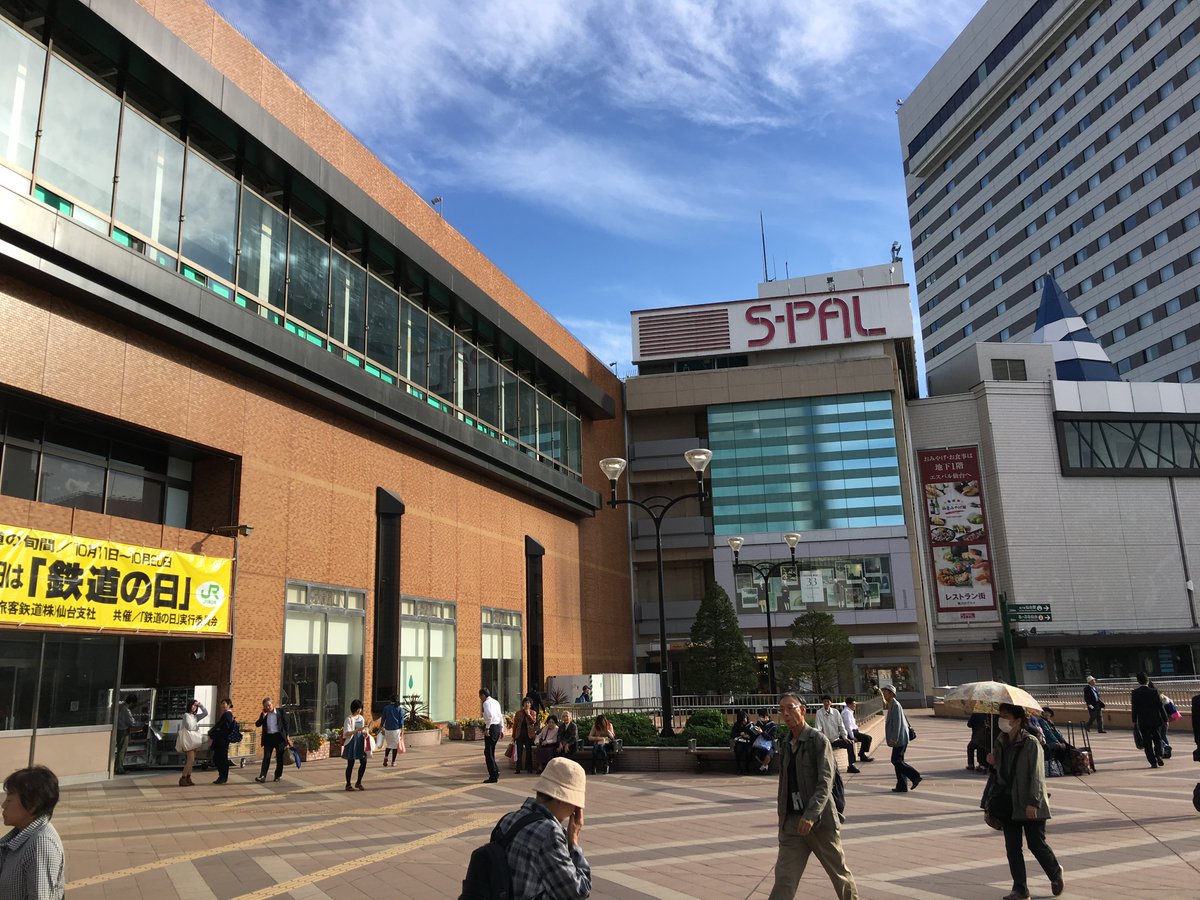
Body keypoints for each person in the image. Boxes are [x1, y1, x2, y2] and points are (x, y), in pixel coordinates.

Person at [768, 694, 857, 900]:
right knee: (784, 878)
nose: (786, 714)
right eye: (782, 710)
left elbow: (825, 781)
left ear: (803, 710)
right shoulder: (786, 742)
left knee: (839, 874)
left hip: (819, 822)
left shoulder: (818, 740)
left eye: (790, 708)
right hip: (792, 824)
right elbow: (784, 785)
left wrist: (811, 814)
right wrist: (783, 818)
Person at [986, 703, 1065, 900]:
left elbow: (1037, 775)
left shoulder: (1031, 743)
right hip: (1008, 801)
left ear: (1018, 720)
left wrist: (1034, 802)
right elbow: (999, 776)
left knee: (1036, 844)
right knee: (1012, 848)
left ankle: (1055, 872)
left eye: (1006, 716)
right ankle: (1020, 889)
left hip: (1030, 801)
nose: (1002, 720)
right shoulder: (1000, 741)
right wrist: (993, 764)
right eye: (1001, 716)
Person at [492, 756, 591, 899]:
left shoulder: (508, 819)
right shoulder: (549, 834)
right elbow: (578, 891)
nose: (575, 810)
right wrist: (573, 840)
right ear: (561, 799)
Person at [0, 765, 66, 899]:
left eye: (10, 800)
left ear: (32, 805)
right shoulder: (22, 835)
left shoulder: (41, 844)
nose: (3, 805)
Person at [882, 683, 921, 792]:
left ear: (891, 693)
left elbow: (898, 723)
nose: (884, 694)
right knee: (898, 761)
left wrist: (894, 737)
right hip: (899, 737)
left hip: (900, 738)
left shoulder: (895, 705)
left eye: (885, 692)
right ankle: (902, 785)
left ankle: (915, 776)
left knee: (896, 760)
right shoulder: (892, 704)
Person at [1131, 671, 1167, 768]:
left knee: (1147, 742)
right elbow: (1160, 707)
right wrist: (1165, 719)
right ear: (1147, 680)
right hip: (1155, 720)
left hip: (1143, 721)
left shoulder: (1135, 693)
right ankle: (1159, 755)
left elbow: (1134, 708)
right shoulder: (1154, 692)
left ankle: (1152, 762)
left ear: (1138, 681)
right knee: (1157, 739)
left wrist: (1134, 721)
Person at [816, 696, 859, 774]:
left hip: (835, 739)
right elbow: (818, 728)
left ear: (831, 703)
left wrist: (845, 737)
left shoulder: (836, 712)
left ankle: (851, 765)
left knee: (849, 743)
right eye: (824, 701)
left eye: (828, 701)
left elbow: (841, 726)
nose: (826, 703)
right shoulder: (819, 713)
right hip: (825, 740)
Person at [254, 697, 292, 783]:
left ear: (272, 704)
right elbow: (257, 724)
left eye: (269, 705)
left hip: (279, 738)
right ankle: (262, 776)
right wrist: (263, 716)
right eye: (266, 706)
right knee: (266, 758)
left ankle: (277, 775)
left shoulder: (280, 712)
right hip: (268, 738)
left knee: (279, 758)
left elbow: (286, 725)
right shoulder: (264, 714)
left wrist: (287, 736)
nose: (268, 707)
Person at [176, 698, 208, 787]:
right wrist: (196, 728)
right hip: (188, 741)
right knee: (190, 760)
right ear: (190, 705)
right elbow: (189, 726)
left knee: (192, 761)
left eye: (196, 706)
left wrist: (201, 705)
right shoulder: (186, 715)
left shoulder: (195, 716)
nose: (194, 707)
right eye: (193, 705)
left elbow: (205, 713)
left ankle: (188, 778)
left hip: (193, 740)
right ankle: (183, 778)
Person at [342, 699, 369, 791]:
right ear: (354, 708)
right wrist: (358, 730)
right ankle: (348, 784)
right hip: (352, 742)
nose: (360, 710)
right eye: (358, 708)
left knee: (364, 761)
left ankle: (358, 782)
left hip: (360, 741)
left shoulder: (361, 718)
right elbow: (346, 733)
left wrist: (365, 732)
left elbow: (363, 730)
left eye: (360, 708)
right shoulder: (349, 719)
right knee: (351, 764)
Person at [209, 698, 235, 785]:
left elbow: (223, 726)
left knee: (220, 759)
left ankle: (223, 777)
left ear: (228, 704)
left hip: (222, 740)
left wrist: (212, 732)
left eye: (224, 703)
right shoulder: (228, 714)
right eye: (222, 703)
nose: (222, 705)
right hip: (222, 740)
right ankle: (222, 777)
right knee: (219, 758)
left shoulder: (227, 714)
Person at [480, 688, 504, 783]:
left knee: (488, 752)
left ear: (483, 695)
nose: (480, 698)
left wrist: (487, 728)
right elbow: (500, 715)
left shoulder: (486, 703)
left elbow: (489, 716)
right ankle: (495, 771)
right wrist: (502, 729)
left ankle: (493, 774)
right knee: (491, 751)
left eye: (480, 696)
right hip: (497, 727)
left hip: (491, 728)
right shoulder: (495, 702)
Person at [840, 698, 872, 764]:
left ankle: (862, 754)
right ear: (848, 704)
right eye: (853, 704)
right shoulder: (846, 713)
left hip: (854, 731)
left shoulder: (849, 711)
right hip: (850, 733)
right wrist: (852, 737)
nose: (855, 706)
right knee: (867, 738)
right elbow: (848, 726)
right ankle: (861, 755)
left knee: (867, 738)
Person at [512, 698, 538, 775]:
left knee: (528, 752)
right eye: (525, 703)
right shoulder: (518, 713)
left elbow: (534, 721)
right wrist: (513, 736)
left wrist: (528, 714)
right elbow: (515, 725)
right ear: (523, 704)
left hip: (529, 735)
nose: (527, 704)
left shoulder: (533, 712)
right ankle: (518, 768)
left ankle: (529, 768)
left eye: (528, 703)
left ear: (530, 705)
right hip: (519, 735)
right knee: (519, 752)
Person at [114, 695, 137, 775]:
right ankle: (119, 768)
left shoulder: (120, 706)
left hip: (118, 729)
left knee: (120, 749)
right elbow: (131, 722)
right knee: (122, 750)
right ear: (131, 702)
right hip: (123, 730)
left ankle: (118, 766)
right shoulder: (126, 710)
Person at [380, 695, 405, 768]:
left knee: (389, 745)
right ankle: (393, 762)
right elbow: (401, 720)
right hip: (396, 730)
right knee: (395, 747)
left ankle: (386, 757)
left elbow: (383, 718)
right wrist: (402, 730)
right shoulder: (399, 709)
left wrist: (381, 727)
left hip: (388, 729)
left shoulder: (386, 708)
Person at [752, 708, 778, 774]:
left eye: (761, 716)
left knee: (768, 753)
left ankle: (762, 768)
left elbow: (771, 737)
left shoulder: (772, 725)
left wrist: (762, 732)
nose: (760, 718)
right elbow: (755, 734)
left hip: (768, 744)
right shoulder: (759, 723)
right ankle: (764, 766)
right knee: (753, 751)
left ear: (766, 716)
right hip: (759, 744)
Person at [731, 709, 756, 775]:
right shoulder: (737, 724)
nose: (744, 721)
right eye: (742, 720)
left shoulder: (751, 724)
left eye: (744, 719)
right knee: (738, 750)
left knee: (749, 751)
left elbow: (755, 735)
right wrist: (740, 734)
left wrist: (749, 736)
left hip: (748, 742)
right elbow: (732, 734)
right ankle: (739, 768)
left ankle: (747, 768)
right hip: (740, 741)